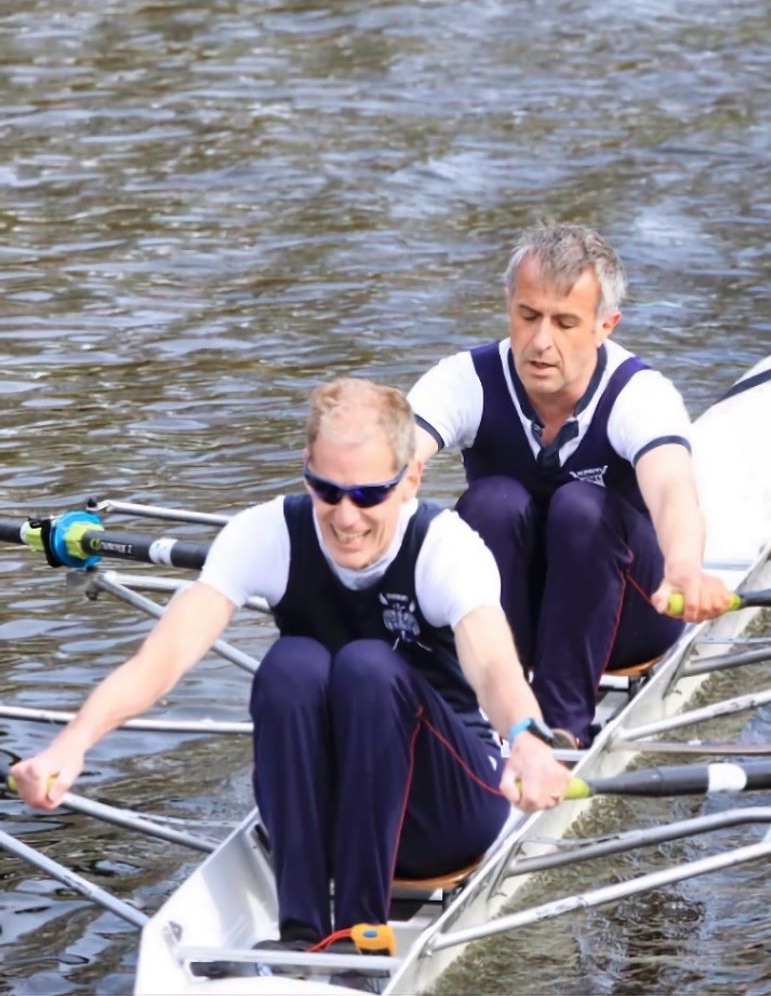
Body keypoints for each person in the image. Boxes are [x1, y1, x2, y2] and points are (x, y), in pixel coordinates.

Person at [11, 378, 570, 948]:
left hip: (447, 813)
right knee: (291, 664)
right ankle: (301, 932)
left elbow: (495, 665)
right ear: (306, 469)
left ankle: (358, 933)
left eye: (369, 495)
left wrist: (526, 739)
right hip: (329, 819)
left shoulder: (446, 549)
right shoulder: (266, 533)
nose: (346, 518)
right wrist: (71, 745)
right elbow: (162, 660)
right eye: (328, 491)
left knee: (367, 668)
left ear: (411, 478)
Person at [408, 224, 733, 748]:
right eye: (528, 316)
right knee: (490, 502)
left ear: (606, 325)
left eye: (565, 323)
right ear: (509, 307)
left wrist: (684, 568)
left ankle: (562, 730)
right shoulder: (463, 380)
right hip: (511, 615)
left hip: (631, 618)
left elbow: (672, 488)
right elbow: (396, 460)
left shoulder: (640, 394)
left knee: (580, 508)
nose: (541, 342)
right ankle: (488, 720)